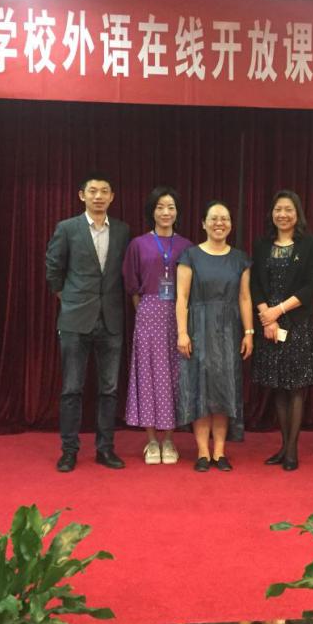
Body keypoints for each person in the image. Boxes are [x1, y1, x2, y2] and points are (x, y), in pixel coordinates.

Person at [45, 172, 131, 472]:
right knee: (72, 389)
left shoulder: (122, 230)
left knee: (109, 390)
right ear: (82, 195)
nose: (98, 196)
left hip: (111, 319)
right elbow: (53, 267)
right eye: (93, 191)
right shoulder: (67, 228)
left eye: (104, 191)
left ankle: (105, 449)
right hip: (75, 319)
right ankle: (69, 450)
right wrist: (68, 298)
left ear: (112, 197)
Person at [175, 200, 254, 472]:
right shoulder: (190, 256)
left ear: (231, 224)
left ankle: (219, 452)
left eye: (225, 218)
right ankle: (202, 452)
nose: (219, 223)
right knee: (200, 389)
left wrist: (249, 332)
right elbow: (182, 297)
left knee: (223, 390)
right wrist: (182, 332)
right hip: (198, 328)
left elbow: (245, 298)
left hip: (229, 331)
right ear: (203, 224)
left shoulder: (240, 258)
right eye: (214, 218)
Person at [251, 190, 313, 471]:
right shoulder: (262, 245)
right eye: (278, 209)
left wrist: (277, 312)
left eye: (288, 209)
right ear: (272, 213)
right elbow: (255, 284)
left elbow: (310, 286)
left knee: (296, 388)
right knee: (278, 386)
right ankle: (283, 446)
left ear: (297, 214)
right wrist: (267, 318)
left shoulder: (309, 244)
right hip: (270, 326)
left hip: (297, 324)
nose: (283, 214)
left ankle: (292, 450)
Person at [122, 187, 193, 465]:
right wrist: (145, 311)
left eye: (171, 207)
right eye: (160, 207)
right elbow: (132, 286)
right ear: (152, 211)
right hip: (148, 313)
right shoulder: (138, 244)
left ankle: (169, 440)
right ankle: (151, 440)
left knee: (175, 375)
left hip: (179, 315)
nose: (166, 212)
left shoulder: (186, 246)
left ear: (177, 212)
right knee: (149, 375)